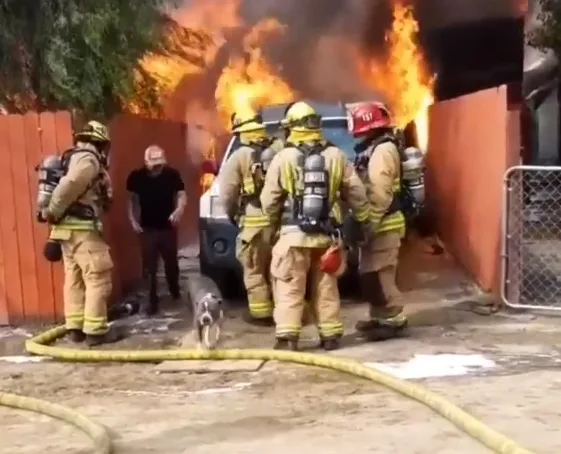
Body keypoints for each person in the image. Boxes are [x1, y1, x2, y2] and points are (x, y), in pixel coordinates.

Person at [260, 101, 371, 351]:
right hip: (327, 237)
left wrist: (272, 224)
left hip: (292, 236)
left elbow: (269, 202)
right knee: (327, 287)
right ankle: (330, 336)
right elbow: (356, 193)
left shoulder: (282, 157)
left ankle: (288, 337)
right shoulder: (335, 156)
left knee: (289, 285)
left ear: (293, 128)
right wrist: (364, 219)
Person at [43, 120, 122, 346]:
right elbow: (70, 184)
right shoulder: (88, 160)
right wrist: (52, 211)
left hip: (67, 233)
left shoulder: (71, 158)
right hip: (83, 232)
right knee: (98, 278)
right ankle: (96, 331)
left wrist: (54, 218)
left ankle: (76, 328)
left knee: (74, 280)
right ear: (98, 142)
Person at [349, 101, 408, 340]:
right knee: (370, 273)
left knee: (381, 273)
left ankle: (393, 319)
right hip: (378, 221)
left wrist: (368, 224)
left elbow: (381, 192)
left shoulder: (383, 151)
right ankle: (379, 316)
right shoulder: (373, 149)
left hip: (384, 223)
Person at [219, 108, 282, 326]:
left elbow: (227, 194)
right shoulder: (280, 148)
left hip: (253, 223)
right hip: (281, 222)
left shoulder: (238, 157)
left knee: (254, 269)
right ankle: (286, 312)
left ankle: (261, 314)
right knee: (279, 268)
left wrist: (232, 216)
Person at [126, 145, 187, 315]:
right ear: (146, 162)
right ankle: (151, 302)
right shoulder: (136, 177)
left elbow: (182, 195)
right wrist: (132, 219)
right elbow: (131, 199)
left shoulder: (172, 175)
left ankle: (174, 291)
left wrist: (179, 210)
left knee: (171, 264)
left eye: (160, 164)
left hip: (168, 227)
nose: (158, 167)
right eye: (154, 164)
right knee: (149, 267)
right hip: (147, 228)